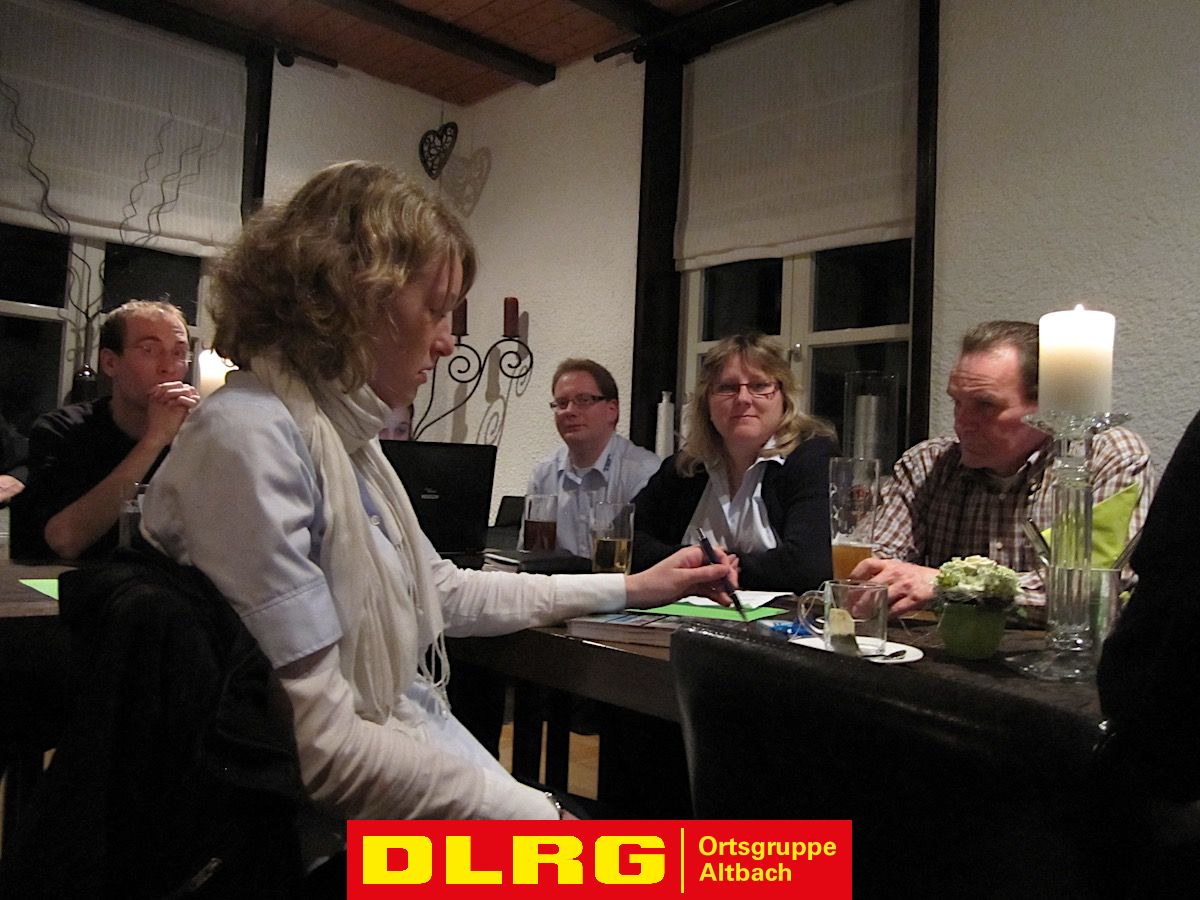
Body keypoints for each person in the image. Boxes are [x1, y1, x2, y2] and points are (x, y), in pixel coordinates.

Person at [139, 162, 733, 855]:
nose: (449, 339)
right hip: (338, 849)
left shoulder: (337, 438)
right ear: (354, 296)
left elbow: (443, 590)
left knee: (771, 868)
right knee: (752, 869)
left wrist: (633, 588)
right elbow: (324, 754)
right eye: (436, 308)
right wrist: (551, 831)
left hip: (403, 777)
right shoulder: (249, 439)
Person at [856, 320, 1156, 614]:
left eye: (985, 405)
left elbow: (1094, 587)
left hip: (1057, 646)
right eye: (957, 402)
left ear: (1046, 406)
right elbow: (872, 563)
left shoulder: (1103, 457)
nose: (961, 423)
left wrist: (950, 585)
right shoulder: (927, 464)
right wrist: (881, 577)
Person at [631, 332, 838, 593]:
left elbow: (809, 567)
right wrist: (701, 562)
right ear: (706, 402)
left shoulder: (811, 459)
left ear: (784, 397)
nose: (743, 399)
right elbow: (626, 543)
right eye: (727, 387)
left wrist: (703, 570)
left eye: (759, 386)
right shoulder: (686, 467)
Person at [9, 300, 199, 560]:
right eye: (149, 350)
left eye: (179, 352)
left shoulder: (197, 435)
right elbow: (65, 540)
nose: (168, 366)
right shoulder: (65, 430)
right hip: (82, 578)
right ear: (110, 363)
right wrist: (154, 440)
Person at [525, 358, 660, 558]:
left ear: (612, 410)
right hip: (555, 579)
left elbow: (653, 563)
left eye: (584, 400)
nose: (569, 411)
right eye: (562, 403)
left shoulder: (644, 473)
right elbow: (531, 558)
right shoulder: (544, 474)